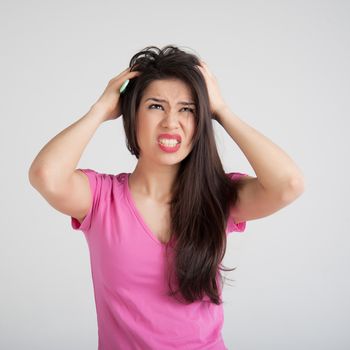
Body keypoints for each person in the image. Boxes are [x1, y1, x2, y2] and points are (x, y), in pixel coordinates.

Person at [28, 45, 305, 350]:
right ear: (131, 116)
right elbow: (46, 175)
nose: (171, 122)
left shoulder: (219, 196)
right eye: (156, 106)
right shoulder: (100, 198)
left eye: (187, 109)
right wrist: (99, 110)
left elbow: (288, 184)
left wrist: (222, 111)